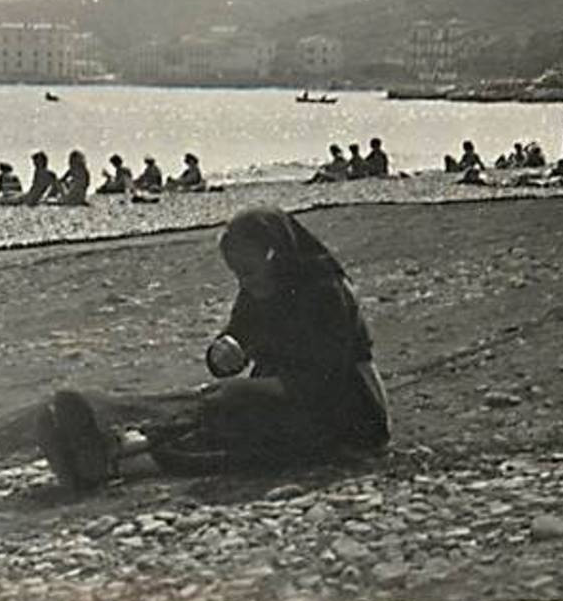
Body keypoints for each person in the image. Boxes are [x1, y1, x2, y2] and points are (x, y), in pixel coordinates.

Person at [33, 207, 390, 493]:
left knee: (238, 433)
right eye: (239, 275)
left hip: (348, 412)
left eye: (250, 272)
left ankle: (114, 462)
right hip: (285, 393)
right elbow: (237, 337)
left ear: (275, 254)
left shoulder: (324, 291)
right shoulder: (259, 285)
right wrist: (225, 352)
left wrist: (251, 387)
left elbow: (323, 381)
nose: (246, 282)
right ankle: (111, 442)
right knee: (214, 409)